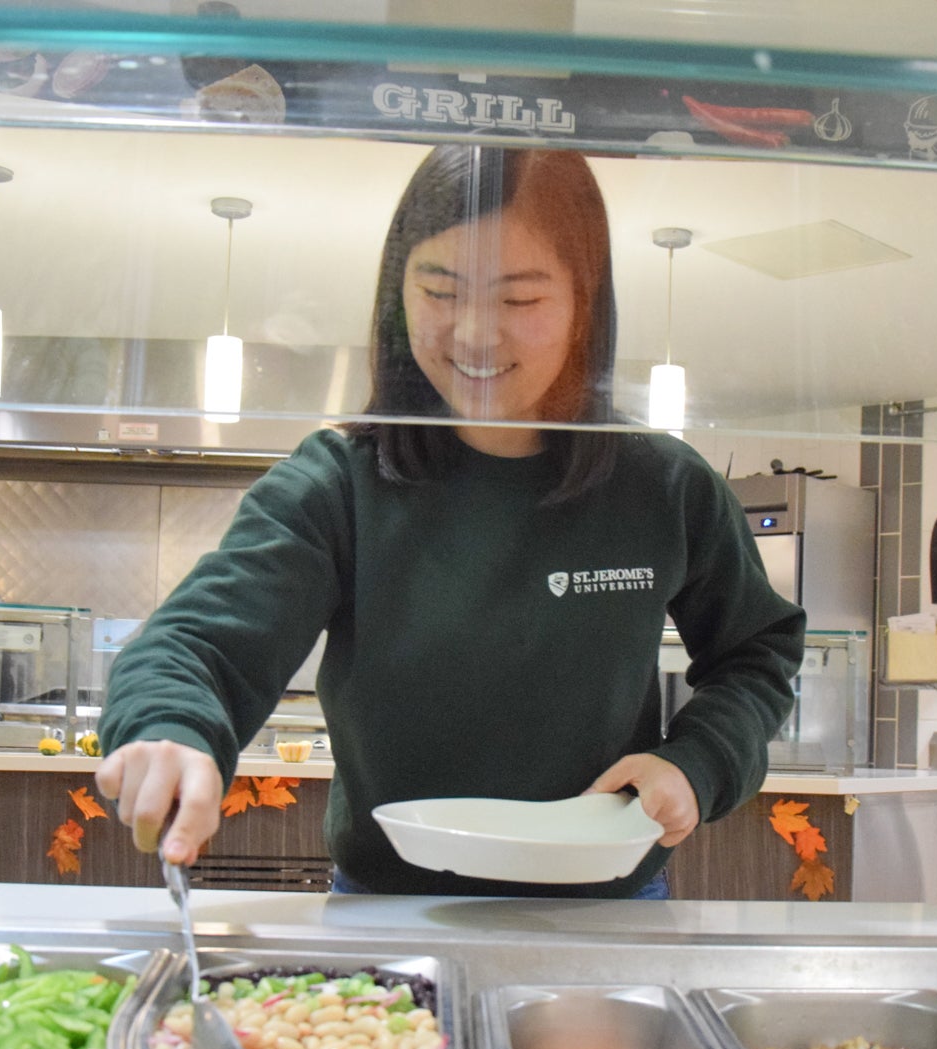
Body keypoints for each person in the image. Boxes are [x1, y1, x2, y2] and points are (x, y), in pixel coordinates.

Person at [96, 145, 803, 897]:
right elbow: (199, 642)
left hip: (610, 907)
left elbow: (758, 654)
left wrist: (698, 761)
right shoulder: (339, 483)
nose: (472, 334)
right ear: (396, 294)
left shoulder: (664, 485)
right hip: (389, 907)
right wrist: (166, 728)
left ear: (584, 302)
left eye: (520, 300)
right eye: (438, 291)